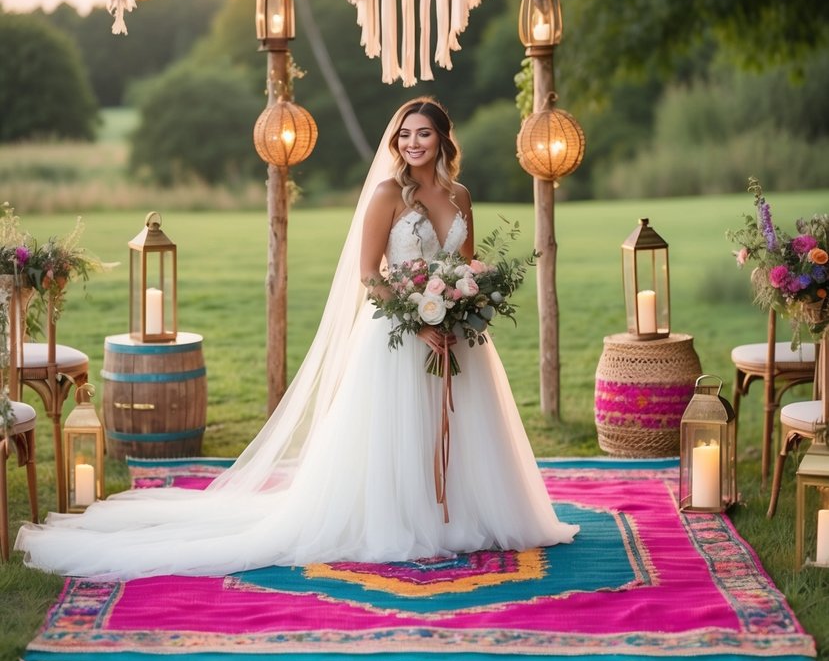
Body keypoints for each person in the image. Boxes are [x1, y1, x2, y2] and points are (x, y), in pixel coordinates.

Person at [16, 98, 577, 579]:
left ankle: (464, 516)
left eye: (423, 133)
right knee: (398, 431)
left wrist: (459, 309)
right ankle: (404, 520)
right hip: (399, 335)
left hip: (456, 337)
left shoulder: (462, 196)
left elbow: (463, 263)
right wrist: (421, 319)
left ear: (442, 140)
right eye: (404, 135)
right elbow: (369, 275)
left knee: (462, 425)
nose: (412, 143)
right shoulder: (387, 195)